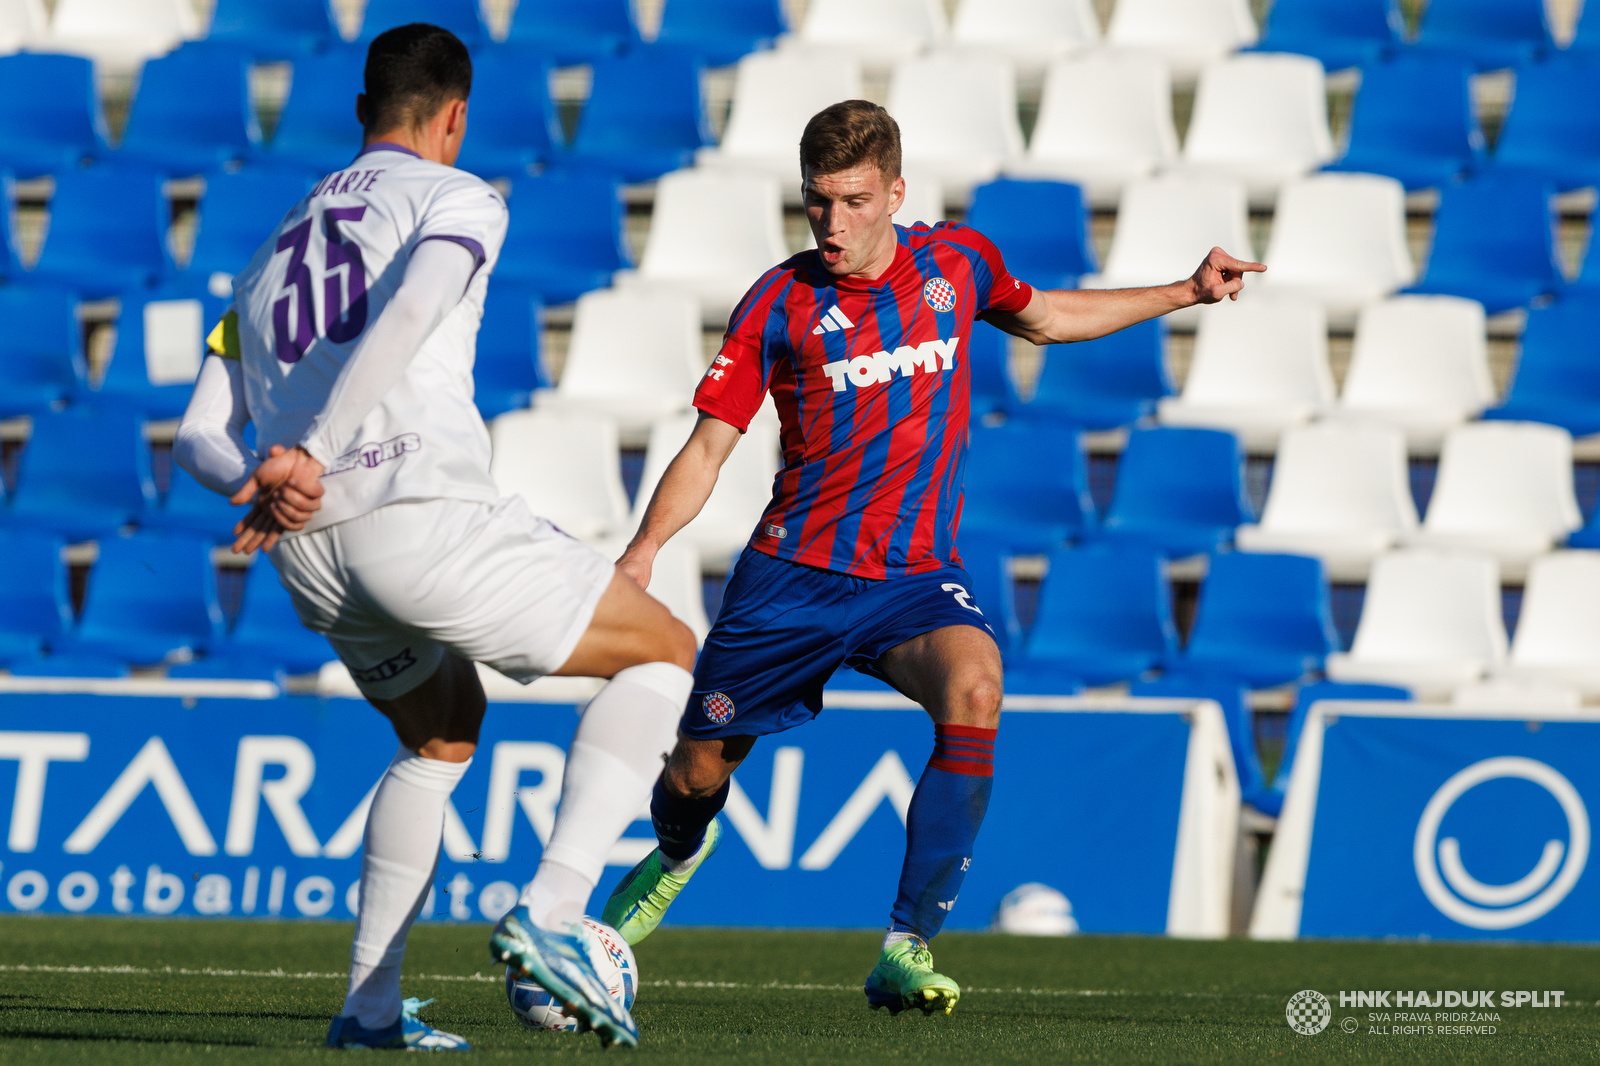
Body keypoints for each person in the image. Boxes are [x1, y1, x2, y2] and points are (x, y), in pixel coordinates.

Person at [600, 100, 1265, 1015]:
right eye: (816, 202)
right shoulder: (778, 302)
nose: (832, 223)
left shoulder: (957, 263)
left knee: (977, 684)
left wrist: (1186, 292)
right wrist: (641, 554)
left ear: (896, 193)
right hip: (793, 580)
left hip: (912, 582)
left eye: (853, 201)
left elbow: (1051, 317)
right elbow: (710, 445)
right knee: (695, 774)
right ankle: (678, 853)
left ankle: (904, 947)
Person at [173, 23, 692, 1051]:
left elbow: (196, 435)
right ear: (453, 115)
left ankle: (368, 1008)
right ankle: (552, 910)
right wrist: (317, 448)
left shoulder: (271, 249)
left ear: (362, 109)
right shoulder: (457, 197)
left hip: (313, 556)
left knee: (440, 734)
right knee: (667, 652)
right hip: (411, 506)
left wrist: (269, 485)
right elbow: (411, 309)